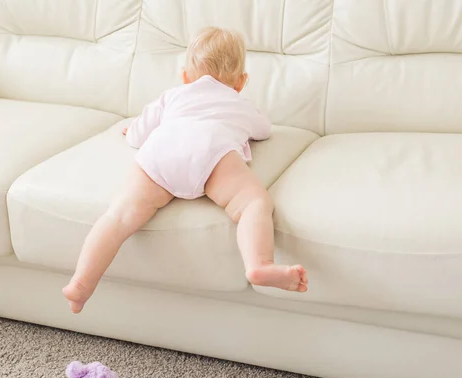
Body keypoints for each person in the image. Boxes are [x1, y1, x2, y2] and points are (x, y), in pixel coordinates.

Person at [63, 27, 308, 314]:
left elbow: (137, 135)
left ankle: (81, 284)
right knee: (253, 204)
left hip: (160, 155)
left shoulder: (172, 96)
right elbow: (263, 130)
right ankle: (259, 265)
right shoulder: (239, 102)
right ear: (241, 82)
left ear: (185, 77)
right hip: (213, 155)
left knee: (118, 216)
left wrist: (133, 132)